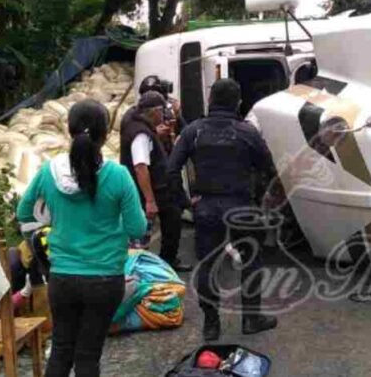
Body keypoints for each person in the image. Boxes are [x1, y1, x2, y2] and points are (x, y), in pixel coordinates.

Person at [17, 99, 146, 377]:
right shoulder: (118, 176)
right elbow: (137, 228)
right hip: (104, 279)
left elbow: (23, 213)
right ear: (105, 134)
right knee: (88, 355)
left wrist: (54, 219)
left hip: (62, 278)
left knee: (61, 350)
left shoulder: (49, 172)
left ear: (69, 130)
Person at [167, 79, 280, 341]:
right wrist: (262, 197)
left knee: (208, 264)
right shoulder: (247, 132)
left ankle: (211, 324)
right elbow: (268, 168)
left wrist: (186, 203)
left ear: (210, 100)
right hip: (242, 205)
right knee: (251, 259)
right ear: (238, 102)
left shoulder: (193, 131)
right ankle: (251, 318)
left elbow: (171, 170)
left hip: (206, 206)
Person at [119, 91, 193, 272]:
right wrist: (150, 200)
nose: (164, 115)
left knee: (171, 222)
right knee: (147, 230)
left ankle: (163, 261)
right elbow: (140, 166)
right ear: (154, 112)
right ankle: (145, 268)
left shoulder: (135, 122)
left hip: (155, 188)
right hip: (153, 190)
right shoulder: (141, 134)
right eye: (162, 111)